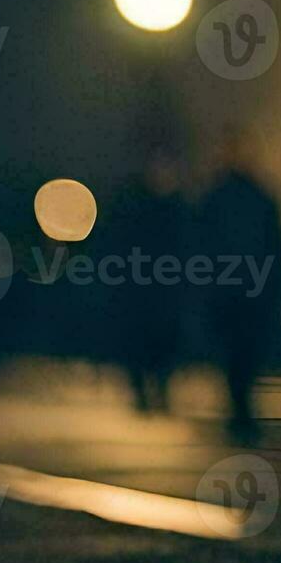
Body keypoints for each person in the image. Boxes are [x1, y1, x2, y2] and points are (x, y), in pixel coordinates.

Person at [198, 129, 281, 444]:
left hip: (230, 290)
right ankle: (242, 407)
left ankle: (240, 407)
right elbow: (277, 248)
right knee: (247, 352)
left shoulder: (214, 198)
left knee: (236, 354)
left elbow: (201, 247)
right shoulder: (261, 197)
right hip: (252, 289)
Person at [113, 145, 190, 413]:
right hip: (145, 288)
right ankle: (146, 392)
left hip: (160, 289)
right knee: (143, 340)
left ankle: (155, 389)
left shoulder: (173, 207)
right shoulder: (144, 206)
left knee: (161, 342)